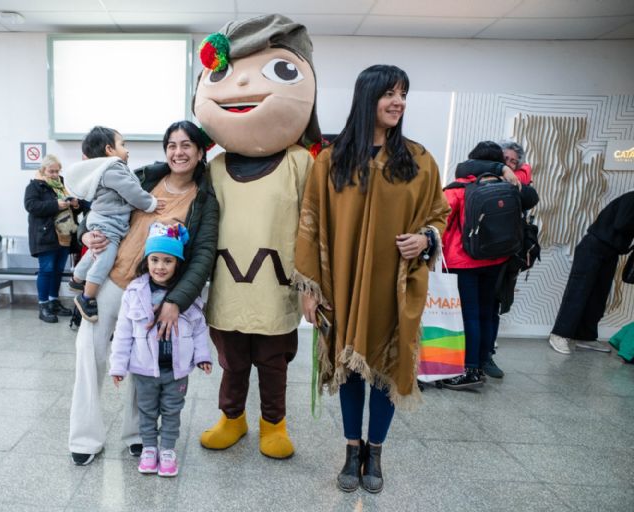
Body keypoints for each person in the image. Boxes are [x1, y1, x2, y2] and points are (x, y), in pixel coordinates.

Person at [294, 65, 450, 493]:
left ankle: (375, 452)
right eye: (389, 94)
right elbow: (311, 220)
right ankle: (351, 449)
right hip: (342, 282)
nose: (398, 102)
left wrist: (425, 238)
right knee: (350, 366)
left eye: (403, 94)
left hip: (394, 284)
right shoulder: (331, 160)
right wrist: (309, 288)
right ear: (367, 98)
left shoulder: (418, 160)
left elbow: (439, 213)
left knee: (385, 367)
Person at [194, 13, 320, 460]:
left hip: (277, 284)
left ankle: (273, 424)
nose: (244, 85)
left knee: (272, 361)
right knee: (231, 360)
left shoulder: (300, 161)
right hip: (228, 285)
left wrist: (312, 286)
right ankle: (232, 417)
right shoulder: (214, 167)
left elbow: (314, 225)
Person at [67, 120, 218, 466]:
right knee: (89, 353)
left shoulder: (204, 199)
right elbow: (97, 207)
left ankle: (138, 435)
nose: (178, 152)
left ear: (200, 152)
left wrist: (176, 301)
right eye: (172, 145)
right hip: (109, 279)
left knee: (144, 362)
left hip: (154, 292)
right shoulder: (143, 177)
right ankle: (85, 438)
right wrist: (84, 233)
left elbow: (203, 256)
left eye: (186, 145)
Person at [109, 222, 213, 477]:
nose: (160, 266)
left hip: (176, 371)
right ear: (147, 260)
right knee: (146, 411)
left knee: (172, 411)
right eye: (154, 259)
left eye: (168, 261)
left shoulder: (187, 295)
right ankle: (148, 448)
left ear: (178, 263)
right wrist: (118, 366)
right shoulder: (134, 292)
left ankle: (167, 450)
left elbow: (199, 328)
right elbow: (123, 333)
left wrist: (202, 356)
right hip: (144, 370)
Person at [441, 141, 524, 389]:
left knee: (468, 314)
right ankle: (481, 362)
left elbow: (440, 221)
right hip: (496, 260)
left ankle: (469, 370)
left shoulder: (458, 189)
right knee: (486, 312)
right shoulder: (507, 187)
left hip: (463, 261)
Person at [63, 126, 166, 323]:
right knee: (105, 260)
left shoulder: (106, 170)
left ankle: (76, 280)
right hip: (107, 223)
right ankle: (86, 297)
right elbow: (131, 191)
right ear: (109, 150)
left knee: (94, 254)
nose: (127, 150)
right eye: (123, 144)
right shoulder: (113, 169)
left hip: (104, 221)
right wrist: (151, 203)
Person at [548, 191, 634, 355]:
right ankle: (559, 335)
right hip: (594, 247)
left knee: (598, 297)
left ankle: (585, 337)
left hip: (611, 252)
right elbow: (621, 223)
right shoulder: (632, 198)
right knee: (577, 293)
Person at [24, 154, 88, 323]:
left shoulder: (63, 184)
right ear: (43, 170)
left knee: (58, 270)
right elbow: (31, 206)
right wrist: (55, 205)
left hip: (65, 235)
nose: (55, 174)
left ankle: (54, 301)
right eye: (51, 171)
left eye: (57, 171)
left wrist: (76, 204)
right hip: (46, 234)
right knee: (46, 270)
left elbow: (75, 209)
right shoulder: (35, 186)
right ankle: (43, 305)